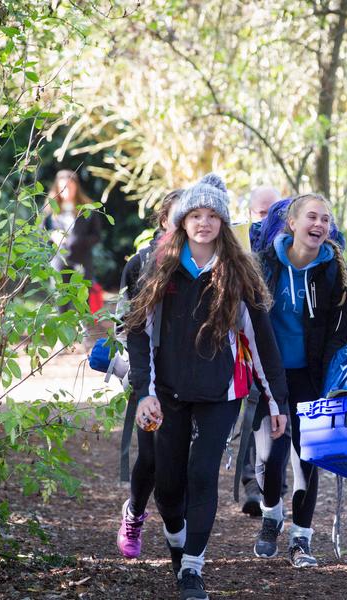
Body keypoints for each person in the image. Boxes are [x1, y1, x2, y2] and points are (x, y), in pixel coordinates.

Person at [119, 174, 289, 600]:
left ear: (223, 222)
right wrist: (145, 392)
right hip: (169, 393)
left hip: (221, 393)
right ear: (182, 220)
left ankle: (193, 567)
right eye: (196, 214)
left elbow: (261, 341)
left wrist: (276, 402)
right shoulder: (159, 267)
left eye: (213, 215)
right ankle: (179, 549)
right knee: (168, 485)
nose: (204, 222)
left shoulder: (239, 272)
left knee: (202, 474)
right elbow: (139, 332)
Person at [251, 193, 347, 568]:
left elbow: (338, 332)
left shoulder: (332, 270)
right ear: (291, 223)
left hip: (311, 376)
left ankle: (301, 539)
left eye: (325, 219)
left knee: (308, 456)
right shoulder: (264, 265)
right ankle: (272, 514)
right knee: (270, 457)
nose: (319, 224)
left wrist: (330, 381)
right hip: (269, 376)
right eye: (312, 217)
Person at [113, 190, 182, 486]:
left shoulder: (211, 265)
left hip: (192, 378)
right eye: (179, 217)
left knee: (184, 459)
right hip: (151, 374)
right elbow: (122, 324)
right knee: (151, 456)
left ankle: (177, 516)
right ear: (164, 220)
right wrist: (137, 373)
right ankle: (135, 508)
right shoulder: (140, 263)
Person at [237, 185, 281, 517]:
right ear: (251, 213)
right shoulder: (240, 245)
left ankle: (275, 486)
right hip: (246, 345)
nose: (266, 220)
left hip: (281, 344)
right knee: (251, 413)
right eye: (261, 213)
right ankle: (252, 483)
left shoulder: (289, 245)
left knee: (276, 416)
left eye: (273, 212)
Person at [43, 169, 102, 313]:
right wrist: (52, 235)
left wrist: (78, 241)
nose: (67, 191)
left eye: (70, 187)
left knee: (83, 301)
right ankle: (61, 326)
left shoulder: (88, 208)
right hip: (59, 259)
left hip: (82, 260)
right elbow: (41, 232)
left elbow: (96, 236)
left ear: (76, 187)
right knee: (60, 299)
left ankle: (83, 327)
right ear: (57, 189)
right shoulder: (50, 209)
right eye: (63, 188)